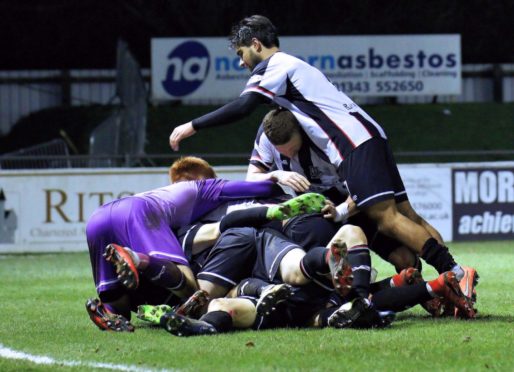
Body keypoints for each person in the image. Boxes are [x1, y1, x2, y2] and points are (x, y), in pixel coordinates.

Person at [167, 15, 478, 305]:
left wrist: (192, 126)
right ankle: (453, 279)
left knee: (387, 219)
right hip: (371, 134)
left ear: (257, 45)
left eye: (241, 53)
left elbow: (244, 106)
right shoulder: (294, 66)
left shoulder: (274, 65)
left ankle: (455, 274)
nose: (240, 61)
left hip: (352, 143)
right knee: (408, 215)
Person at [84, 177, 318, 331]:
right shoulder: (203, 188)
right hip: (136, 212)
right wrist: (275, 184)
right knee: (189, 287)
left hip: (97, 218)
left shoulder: (168, 195)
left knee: (119, 304)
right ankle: (137, 259)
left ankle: (113, 314)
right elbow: (255, 189)